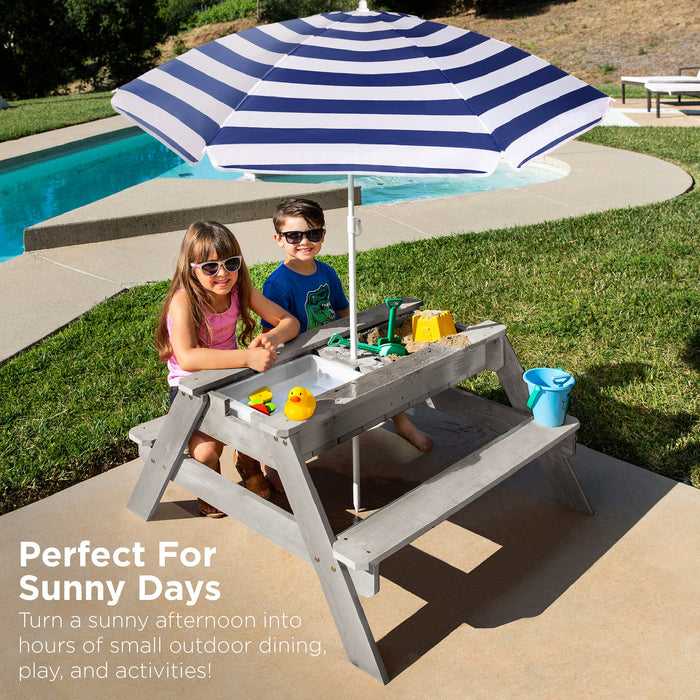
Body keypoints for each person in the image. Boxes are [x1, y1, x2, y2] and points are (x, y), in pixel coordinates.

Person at [262, 198, 433, 452]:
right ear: (279, 239)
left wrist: (357, 336)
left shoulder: (327, 272)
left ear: (323, 234)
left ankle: (402, 422)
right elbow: (270, 334)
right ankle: (279, 457)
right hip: (300, 357)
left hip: (336, 345)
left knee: (382, 371)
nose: (305, 241)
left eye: (313, 233)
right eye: (294, 236)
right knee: (299, 407)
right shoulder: (277, 285)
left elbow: (344, 312)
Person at [155, 221, 300, 516]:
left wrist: (272, 336)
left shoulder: (240, 289)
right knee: (208, 452)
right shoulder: (183, 301)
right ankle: (210, 477)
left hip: (232, 378)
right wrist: (246, 358)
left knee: (266, 416)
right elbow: (188, 358)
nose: (223, 274)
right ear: (191, 267)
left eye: (231, 263)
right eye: (210, 267)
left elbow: (290, 322)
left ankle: (248, 461)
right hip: (191, 387)